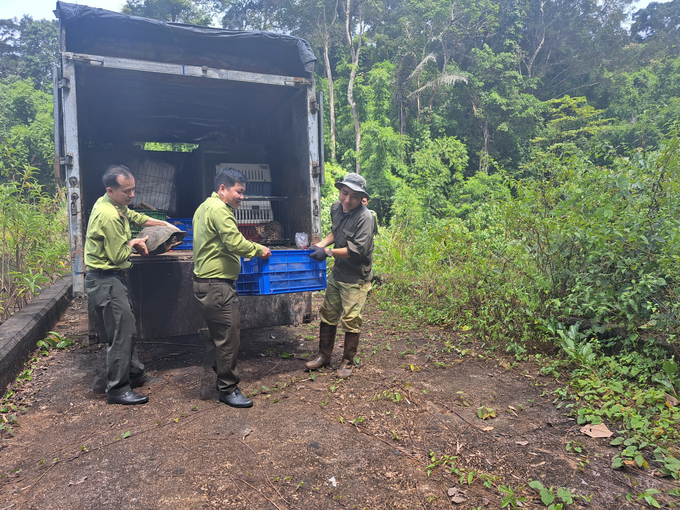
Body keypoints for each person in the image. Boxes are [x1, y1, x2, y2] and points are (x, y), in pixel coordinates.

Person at [85, 164, 179, 405]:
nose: (132, 195)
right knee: (121, 334)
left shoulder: (112, 204)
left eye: (133, 189)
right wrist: (135, 242)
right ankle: (117, 389)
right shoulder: (109, 216)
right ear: (111, 189)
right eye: (127, 191)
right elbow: (118, 256)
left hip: (112, 279)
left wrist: (165, 226)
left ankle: (135, 374)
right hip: (105, 279)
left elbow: (135, 216)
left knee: (126, 329)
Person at [193, 168, 271, 408]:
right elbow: (234, 242)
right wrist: (260, 249)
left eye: (243, 192)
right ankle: (228, 389)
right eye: (239, 191)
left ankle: (220, 379)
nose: (242, 197)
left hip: (207, 283)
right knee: (229, 338)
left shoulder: (205, 207)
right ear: (223, 189)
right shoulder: (220, 210)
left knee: (220, 335)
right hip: (217, 286)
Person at [307, 173, 374, 378]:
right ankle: (323, 355)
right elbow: (336, 233)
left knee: (351, 318)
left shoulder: (365, 217)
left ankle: (347, 361)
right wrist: (320, 245)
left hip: (356, 277)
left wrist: (327, 253)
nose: (347, 200)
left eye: (353, 196)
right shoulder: (337, 208)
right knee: (328, 313)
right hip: (338, 273)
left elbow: (358, 250)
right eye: (344, 193)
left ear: (361, 197)